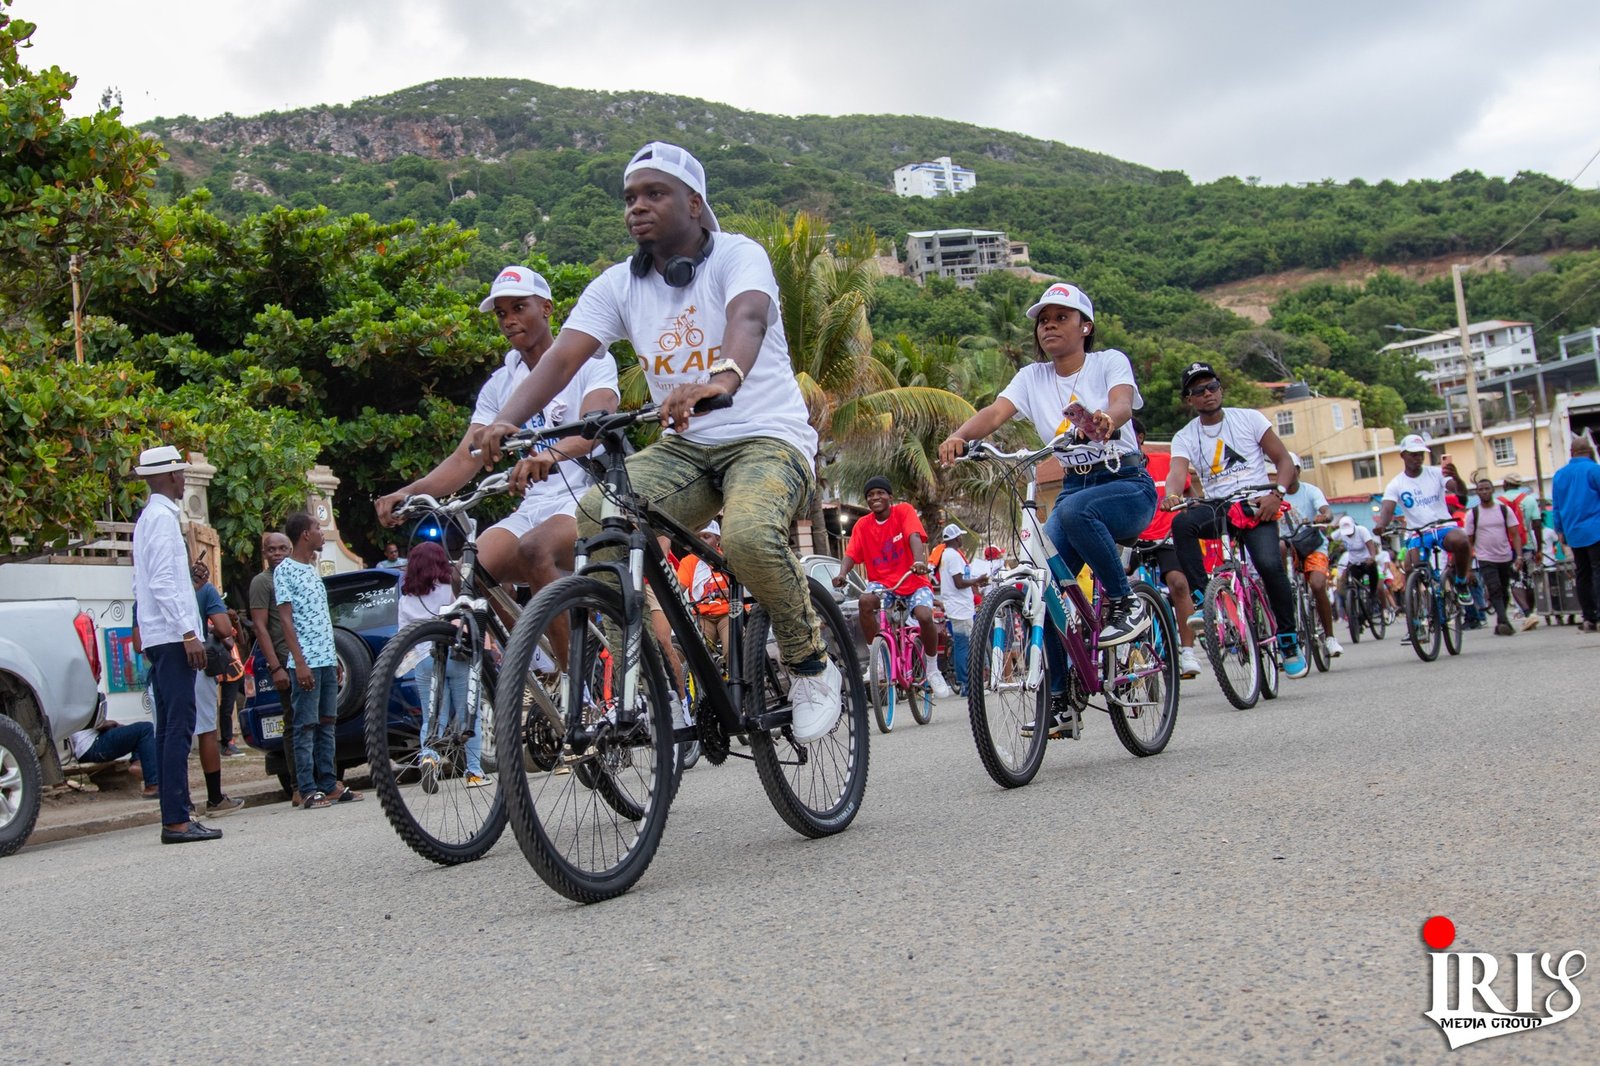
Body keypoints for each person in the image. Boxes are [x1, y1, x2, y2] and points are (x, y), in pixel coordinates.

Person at [466, 143, 841, 744]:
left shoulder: (739, 255)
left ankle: (810, 664)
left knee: (746, 536)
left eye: (654, 193)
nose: (637, 207)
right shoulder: (617, 285)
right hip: (686, 451)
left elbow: (747, 319)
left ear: (694, 203)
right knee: (597, 516)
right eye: (630, 197)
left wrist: (722, 380)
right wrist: (505, 420)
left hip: (767, 438)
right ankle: (657, 686)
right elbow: (562, 358)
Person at [376, 265, 619, 605]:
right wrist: (407, 492)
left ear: (546, 308)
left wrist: (550, 455)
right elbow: (465, 458)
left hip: (587, 496)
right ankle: (527, 657)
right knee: (468, 574)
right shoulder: (500, 385)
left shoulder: (591, 361)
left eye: (519, 308)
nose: (509, 320)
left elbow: (596, 426)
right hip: (536, 505)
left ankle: (568, 662)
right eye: (502, 313)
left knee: (536, 550)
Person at [940, 282, 1154, 653]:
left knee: (1073, 511)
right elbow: (994, 413)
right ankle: (1058, 701)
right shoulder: (1031, 378)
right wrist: (958, 436)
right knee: (1044, 586)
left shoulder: (1108, 361)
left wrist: (1106, 419)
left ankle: (1125, 602)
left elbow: (1122, 403)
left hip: (1126, 482)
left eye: (1061, 317)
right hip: (1075, 488)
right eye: (1043, 321)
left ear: (1085, 326)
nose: (1049, 326)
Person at [1161, 362, 1309, 679]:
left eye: (1212, 386)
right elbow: (1176, 474)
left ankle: (1288, 640)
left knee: (1270, 565)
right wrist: (1172, 495)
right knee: (1182, 524)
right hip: (1218, 507)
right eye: (1198, 391)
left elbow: (1283, 460)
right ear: (1189, 400)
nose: (1207, 394)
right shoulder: (1185, 436)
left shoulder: (1250, 419)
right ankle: (1203, 599)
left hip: (1258, 504)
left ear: (1221, 388)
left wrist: (1277, 495)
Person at [130, 444, 221, 844]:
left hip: (159, 636)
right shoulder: (163, 519)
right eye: (181, 473)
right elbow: (162, 583)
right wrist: (189, 633)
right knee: (179, 729)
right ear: (168, 476)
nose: (184, 479)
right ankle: (178, 819)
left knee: (168, 729)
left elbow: (160, 580)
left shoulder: (147, 519)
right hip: (172, 638)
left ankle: (176, 815)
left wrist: (192, 580)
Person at [833, 479, 955, 700]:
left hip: (912, 579)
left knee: (924, 616)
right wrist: (842, 574)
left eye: (880, 493)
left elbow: (914, 537)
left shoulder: (904, 511)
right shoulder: (862, 525)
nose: (875, 498)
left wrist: (918, 562)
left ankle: (932, 668)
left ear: (890, 496)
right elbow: (851, 554)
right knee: (865, 602)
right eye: (870, 495)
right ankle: (878, 661)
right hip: (883, 584)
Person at [276, 512, 363, 809]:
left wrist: (334, 658)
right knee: (305, 725)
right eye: (317, 528)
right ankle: (307, 787)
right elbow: (286, 621)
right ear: (304, 535)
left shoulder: (311, 569)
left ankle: (329, 782)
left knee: (327, 722)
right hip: (306, 661)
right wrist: (299, 662)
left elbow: (321, 619)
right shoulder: (284, 570)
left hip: (326, 658)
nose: (321, 533)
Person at [397, 540, 487, 790]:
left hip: (425, 661)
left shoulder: (406, 599)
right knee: (470, 715)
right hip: (456, 656)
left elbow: (403, 635)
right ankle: (474, 772)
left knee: (433, 718)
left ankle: (429, 757)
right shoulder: (451, 589)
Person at [1132, 418, 1202, 680]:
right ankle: (1129, 652)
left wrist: (1192, 510)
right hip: (1132, 540)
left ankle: (1187, 652)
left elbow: (1192, 496)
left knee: (1178, 583)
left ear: (1140, 437)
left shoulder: (1165, 462)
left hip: (1166, 538)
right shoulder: (1113, 469)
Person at [1373, 435, 1472, 605]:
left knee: (1462, 540)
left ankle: (1461, 583)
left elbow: (1461, 492)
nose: (1418, 458)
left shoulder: (1436, 473)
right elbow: (1387, 509)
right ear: (1402, 455)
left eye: (1421, 454)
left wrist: (1457, 478)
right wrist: (1382, 525)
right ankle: (1419, 613)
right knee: (1411, 567)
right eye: (1413, 454)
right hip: (1417, 532)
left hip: (1443, 527)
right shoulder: (1396, 484)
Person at [248, 531, 299, 803]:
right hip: (284, 662)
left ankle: (321, 779)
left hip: (308, 660)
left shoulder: (297, 576)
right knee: (293, 723)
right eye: (272, 549)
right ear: (265, 553)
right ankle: (298, 785)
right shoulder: (262, 582)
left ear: (290, 550)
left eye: (283, 548)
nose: (277, 553)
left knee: (314, 720)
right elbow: (260, 627)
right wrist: (275, 666)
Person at [190, 561, 244, 814]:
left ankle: (179, 803)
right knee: (206, 732)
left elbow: (138, 643)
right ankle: (214, 798)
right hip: (198, 665)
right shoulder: (204, 590)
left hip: (162, 669)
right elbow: (224, 629)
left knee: (170, 734)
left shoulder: (149, 589)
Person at [1280, 455, 1344, 657]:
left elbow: (1326, 510)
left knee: (1317, 585)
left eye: (1293, 469)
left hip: (1312, 545)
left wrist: (1324, 516)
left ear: (1298, 471)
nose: (1289, 474)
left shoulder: (1311, 491)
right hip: (1288, 549)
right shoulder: (1275, 495)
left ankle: (1330, 638)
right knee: (1279, 588)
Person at [1550, 435, 1600, 631]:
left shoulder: (1560, 475)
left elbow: (1556, 507)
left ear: (1571, 453)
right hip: (1596, 529)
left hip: (1574, 533)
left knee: (1583, 573)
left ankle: (1588, 617)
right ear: (1588, 451)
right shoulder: (1594, 470)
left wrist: (1560, 531)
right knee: (1598, 570)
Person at [1464, 477, 1522, 636]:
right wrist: (1468, 568)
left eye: (1487, 488)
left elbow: (1515, 534)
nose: (1484, 492)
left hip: (1505, 556)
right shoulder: (1472, 514)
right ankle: (1504, 621)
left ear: (1493, 490)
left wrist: (1519, 557)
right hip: (1485, 558)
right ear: (1476, 493)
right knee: (1494, 588)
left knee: (1504, 590)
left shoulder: (1504, 510)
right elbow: (1469, 542)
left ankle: (1500, 621)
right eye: (1481, 489)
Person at [68, 710, 160, 799]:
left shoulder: (71, 701)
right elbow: (99, 725)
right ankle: (153, 786)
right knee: (146, 728)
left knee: (134, 732)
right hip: (92, 746)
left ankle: (138, 761)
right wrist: (111, 723)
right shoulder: (87, 697)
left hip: (82, 751)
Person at [933, 523, 980, 696]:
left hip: (957, 606)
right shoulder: (953, 556)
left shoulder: (947, 555)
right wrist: (977, 580)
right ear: (955, 538)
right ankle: (968, 684)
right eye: (960, 536)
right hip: (960, 608)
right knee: (964, 645)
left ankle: (965, 684)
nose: (962, 538)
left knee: (962, 644)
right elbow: (959, 583)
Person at [676, 520, 732, 652]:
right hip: (703, 615)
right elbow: (678, 588)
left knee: (731, 650)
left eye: (706, 537)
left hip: (728, 613)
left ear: (717, 539)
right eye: (697, 537)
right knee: (698, 653)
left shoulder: (728, 557)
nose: (701, 541)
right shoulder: (689, 561)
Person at [1335, 515, 1393, 617]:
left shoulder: (1362, 531)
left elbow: (1371, 546)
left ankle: (1375, 597)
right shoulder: (1340, 532)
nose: (1348, 535)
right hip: (1355, 563)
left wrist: (1372, 557)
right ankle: (1355, 614)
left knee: (1379, 586)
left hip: (1368, 562)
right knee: (1352, 586)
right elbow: (1329, 539)